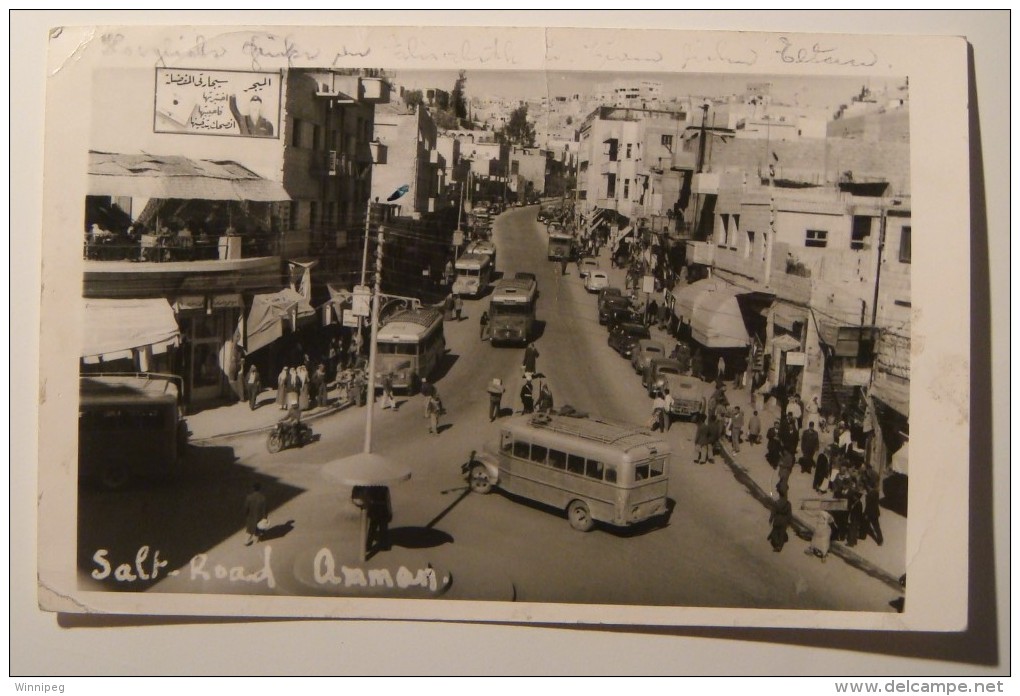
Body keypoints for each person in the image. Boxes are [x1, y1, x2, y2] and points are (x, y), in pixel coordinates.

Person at [352, 486, 392, 554]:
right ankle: (383, 545)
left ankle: (368, 545)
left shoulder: (372, 487)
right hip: (381, 508)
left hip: (375, 508)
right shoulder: (383, 488)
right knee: (382, 527)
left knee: (373, 527)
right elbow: (387, 500)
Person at [244, 482, 268, 546]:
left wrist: (246, 514)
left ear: (253, 489)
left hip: (251, 516)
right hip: (259, 516)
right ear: (260, 489)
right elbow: (265, 509)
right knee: (258, 529)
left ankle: (246, 541)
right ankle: (257, 540)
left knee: (249, 530)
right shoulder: (263, 498)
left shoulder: (249, 497)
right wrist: (265, 518)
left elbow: (246, 507)